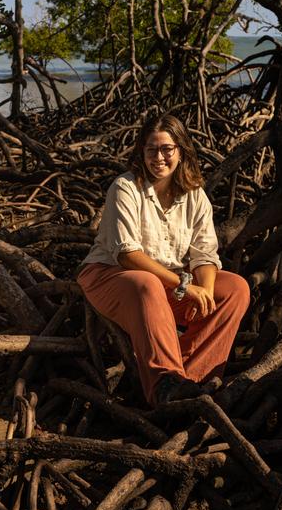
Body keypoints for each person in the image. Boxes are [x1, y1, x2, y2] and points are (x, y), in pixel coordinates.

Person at [78, 114, 250, 406]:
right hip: (109, 276)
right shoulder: (125, 188)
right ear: (141, 152)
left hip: (165, 283)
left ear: (180, 151)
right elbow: (127, 255)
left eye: (167, 149)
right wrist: (186, 285)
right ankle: (163, 386)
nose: (159, 157)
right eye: (151, 149)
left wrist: (205, 291)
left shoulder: (195, 195)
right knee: (147, 283)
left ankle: (193, 381)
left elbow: (204, 253)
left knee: (234, 289)